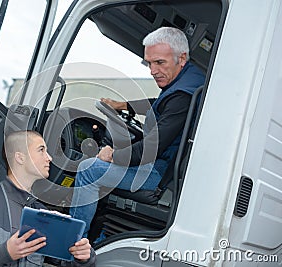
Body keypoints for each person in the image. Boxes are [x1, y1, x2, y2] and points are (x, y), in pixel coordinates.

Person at [69, 27, 206, 237]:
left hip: (160, 174)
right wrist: (123, 105)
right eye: (149, 63)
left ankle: (73, 247)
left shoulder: (183, 94)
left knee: (89, 170)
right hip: (164, 167)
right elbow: (161, 105)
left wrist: (113, 155)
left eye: (159, 62)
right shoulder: (189, 80)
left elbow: (151, 148)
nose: (152, 70)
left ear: (182, 57)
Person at [0, 130, 96, 267]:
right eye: (41, 150)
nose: (49, 158)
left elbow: (65, 261)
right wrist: (3, 253)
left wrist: (83, 257)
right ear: (20, 157)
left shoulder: (43, 214)